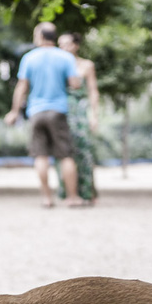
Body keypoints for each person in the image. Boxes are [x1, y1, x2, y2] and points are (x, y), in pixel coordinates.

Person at [4, 22, 84, 208]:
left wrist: (15, 111)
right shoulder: (65, 57)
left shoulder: (29, 58)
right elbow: (75, 84)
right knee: (65, 155)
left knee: (40, 156)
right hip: (58, 111)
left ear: (40, 36)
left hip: (36, 111)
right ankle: (72, 198)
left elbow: (22, 86)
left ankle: (47, 198)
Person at [56, 32, 100, 204]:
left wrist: (94, 115)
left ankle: (88, 192)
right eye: (60, 45)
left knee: (84, 152)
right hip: (61, 111)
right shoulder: (57, 66)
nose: (63, 48)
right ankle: (66, 192)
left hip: (80, 112)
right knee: (63, 152)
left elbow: (93, 91)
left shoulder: (86, 65)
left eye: (67, 44)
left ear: (76, 45)